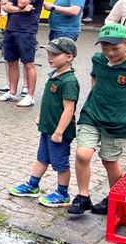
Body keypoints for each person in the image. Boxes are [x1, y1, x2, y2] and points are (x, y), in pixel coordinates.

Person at [67, 23, 126, 215]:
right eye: (105, 48)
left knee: (109, 161)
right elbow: (96, 80)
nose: (109, 53)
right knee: (82, 154)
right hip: (92, 114)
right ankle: (83, 197)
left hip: (119, 122)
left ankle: (115, 198)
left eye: (115, 48)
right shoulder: (98, 59)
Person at [9, 37, 79, 208]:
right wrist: (44, 117)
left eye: (55, 54)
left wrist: (59, 132)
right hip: (48, 127)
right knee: (42, 158)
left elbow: (69, 110)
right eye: (49, 54)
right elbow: (52, 104)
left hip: (58, 132)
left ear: (69, 57)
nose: (50, 57)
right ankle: (33, 186)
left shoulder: (69, 81)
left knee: (60, 163)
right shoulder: (54, 74)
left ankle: (62, 194)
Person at [0, 0, 45, 107]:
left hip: (26, 30)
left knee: (28, 63)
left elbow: (22, 1)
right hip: (11, 28)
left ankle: (30, 96)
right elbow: (7, 7)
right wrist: (21, 9)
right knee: (11, 62)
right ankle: (12, 92)